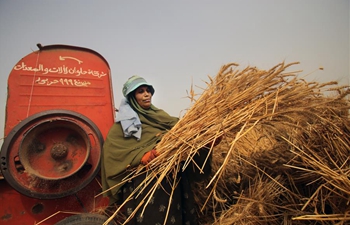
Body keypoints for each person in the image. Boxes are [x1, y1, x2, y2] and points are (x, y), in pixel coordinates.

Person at [101, 75, 212, 225]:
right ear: (132, 97)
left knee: (175, 216)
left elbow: (184, 138)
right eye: (140, 91)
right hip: (146, 185)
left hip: (171, 180)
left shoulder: (161, 117)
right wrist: (141, 156)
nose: (147, 94)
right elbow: (113, 154)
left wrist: (205, 141)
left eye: (148, 90)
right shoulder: (122, 127)